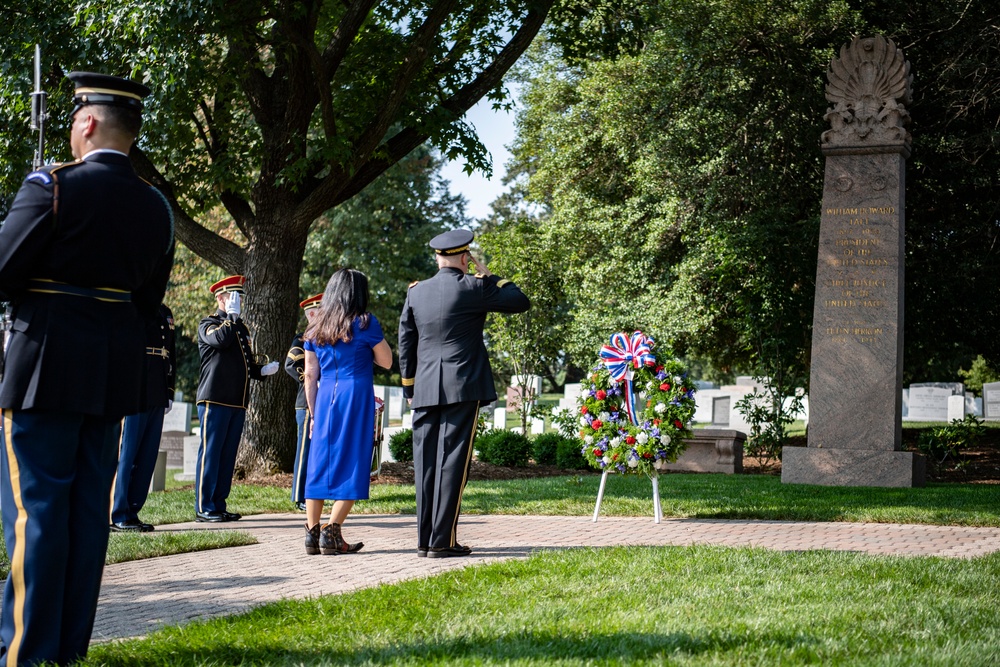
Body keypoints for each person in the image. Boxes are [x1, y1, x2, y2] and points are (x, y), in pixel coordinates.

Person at [0, 71, 174, 666]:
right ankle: (65, 652)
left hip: (44, 367)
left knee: (37, 515)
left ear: (87, 121)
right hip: (108, 380)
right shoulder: (157, 207)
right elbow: (149, 300)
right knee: (84, 518)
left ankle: (24, 652)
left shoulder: (50, 185)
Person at [398, 229, 530, 558]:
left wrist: (409, 388)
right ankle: (443, 542)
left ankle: (425, 541)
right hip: (462, 386)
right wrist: (487, 273)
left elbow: (406, 342)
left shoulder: (416, 292)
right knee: (452, 464)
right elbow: (519, 301)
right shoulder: (475, 287)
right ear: (464, 258)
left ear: (436, 258)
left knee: (425, 465)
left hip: (425, 388)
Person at [302, 269, 392, 555]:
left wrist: (315, 414)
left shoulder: (315, 328)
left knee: (319, 463)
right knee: (354, 461)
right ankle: (332, 532)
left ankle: (311, 533)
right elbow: (387, 361)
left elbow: (309, 374)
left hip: (325, 396)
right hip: (354, 394)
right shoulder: (365, 322)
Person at [194, 276, 279, 522]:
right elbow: (220, 341)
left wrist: (260, 371)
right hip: (215, 398)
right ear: (220, 298)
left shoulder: (240, 328)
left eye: (240, 297)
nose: (239, 300)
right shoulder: (208, 324)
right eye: (234, 296)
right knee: (211, 453)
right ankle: (204, 507)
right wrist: (230, 317)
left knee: (227, 455)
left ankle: (218, 503)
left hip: (237, 400)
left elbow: (243, 364)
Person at [110, 302, 176, 532]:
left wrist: (169, 390)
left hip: (157, 385)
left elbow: (171, 353)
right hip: (135, 386)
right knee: (128, 454)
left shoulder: (165, 311)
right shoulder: (131, 305)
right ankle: (118, 513)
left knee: (147, 455)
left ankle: (133, 510)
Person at [285, 293, 322, 511]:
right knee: (304, 450)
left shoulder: (325, 337)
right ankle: (299, 496)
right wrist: (312, 381)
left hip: (321, 400)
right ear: (312, 314)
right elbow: (291, 365)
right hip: (307, 402)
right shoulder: (302, 339)